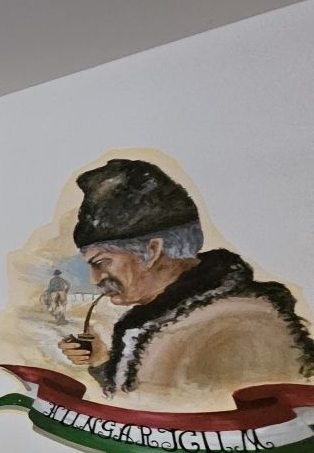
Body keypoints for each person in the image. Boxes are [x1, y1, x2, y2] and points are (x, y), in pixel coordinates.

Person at [57, 158, 314, 406]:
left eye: (101, 262)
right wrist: (100, 360)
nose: (96, 279)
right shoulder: (176, 320)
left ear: (153, 251)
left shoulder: (236, 327)